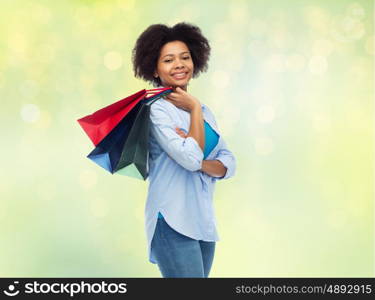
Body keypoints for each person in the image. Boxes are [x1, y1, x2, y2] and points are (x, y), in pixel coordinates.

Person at [131, 22, 236, 278]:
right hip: (171, 219)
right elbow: (191, 159)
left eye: (185, 57)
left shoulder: (206, 111)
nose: (179, 64)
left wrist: (199, 156)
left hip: (203, 222)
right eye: (168, 60)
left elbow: (228, 162)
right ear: (154, 68)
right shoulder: (157, 110)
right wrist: (195, 110)